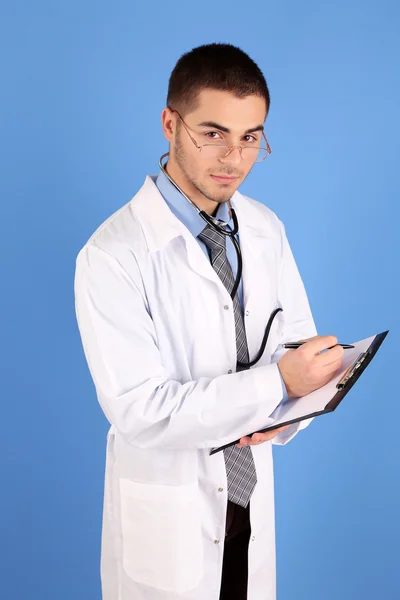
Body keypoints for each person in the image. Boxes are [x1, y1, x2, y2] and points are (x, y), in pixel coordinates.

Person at [74, 42, 344, 600]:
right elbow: (141, 411)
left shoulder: (265, 228)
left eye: (251, 137)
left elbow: (294, 349)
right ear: (170, 123)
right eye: (213, 133)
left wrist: (300, 400)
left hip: (247, 502)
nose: (234, 159)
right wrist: (278, 383)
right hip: (170, 519)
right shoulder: (113, 253)